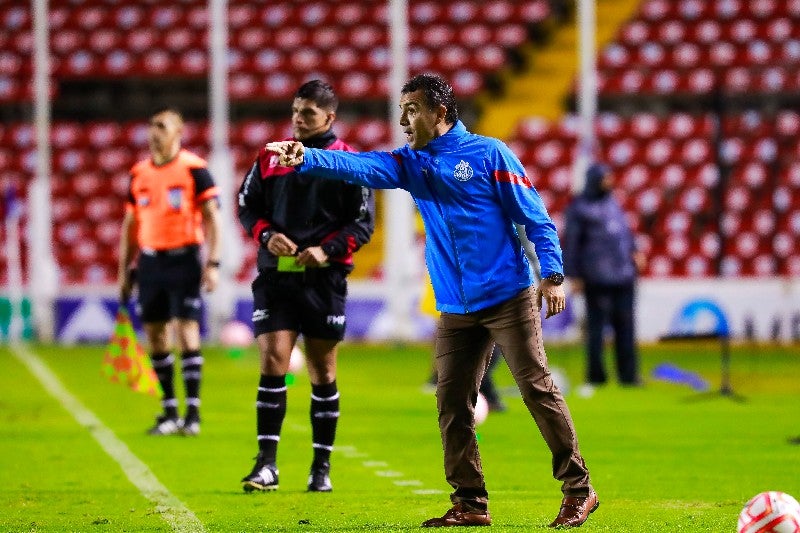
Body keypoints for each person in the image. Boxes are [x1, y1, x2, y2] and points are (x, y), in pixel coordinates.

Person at [266, 74, 597, 528]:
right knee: (451, 402)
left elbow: (536, 218)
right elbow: (362, 166)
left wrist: (553, 275)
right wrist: (306, 157)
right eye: (402, 110)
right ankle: (470, 502)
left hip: (507, 295)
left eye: (411, 110)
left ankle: (579, 489)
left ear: (439, 113)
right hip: (456, 307)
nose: (403, 120)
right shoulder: (410, 162)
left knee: (536, 389)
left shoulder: (490, 154)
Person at [236, 80, 375, 493]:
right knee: (274, 359)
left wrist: (326, 251)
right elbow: (246, 205)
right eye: (296, 111)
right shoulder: (270, 156)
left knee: (322, 369)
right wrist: (265, 236)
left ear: (329, 118)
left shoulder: (347, 162)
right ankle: (266, 465)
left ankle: (321, 467)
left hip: (324, 278)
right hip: (276, 275)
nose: (299, 118)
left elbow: (363, 223)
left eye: (308, 113)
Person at [117, 106, 221, 437]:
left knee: (186, 330)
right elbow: (130, 224)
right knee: (156, 335)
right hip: (150, 263)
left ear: (178, 132)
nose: (154, 132)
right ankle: (169, 411)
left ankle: (193, 413)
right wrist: (124, 270)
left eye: (161, 126)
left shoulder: (194, 170)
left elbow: (212, 218)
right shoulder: (139, 174)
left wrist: (213, 262)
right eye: (150, 125)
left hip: (184, 258)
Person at [563, 163, 645, 387]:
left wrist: (635, 251)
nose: (609, 182)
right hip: (595, 277)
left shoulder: (613, 202)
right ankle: (596, 375)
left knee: (626, 327)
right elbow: (572, 243)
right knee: (596, 330)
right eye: (605, 178)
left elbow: (625, 232)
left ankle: (628, 375)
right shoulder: (578, 207)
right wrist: (574, 274)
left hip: (623, 274)